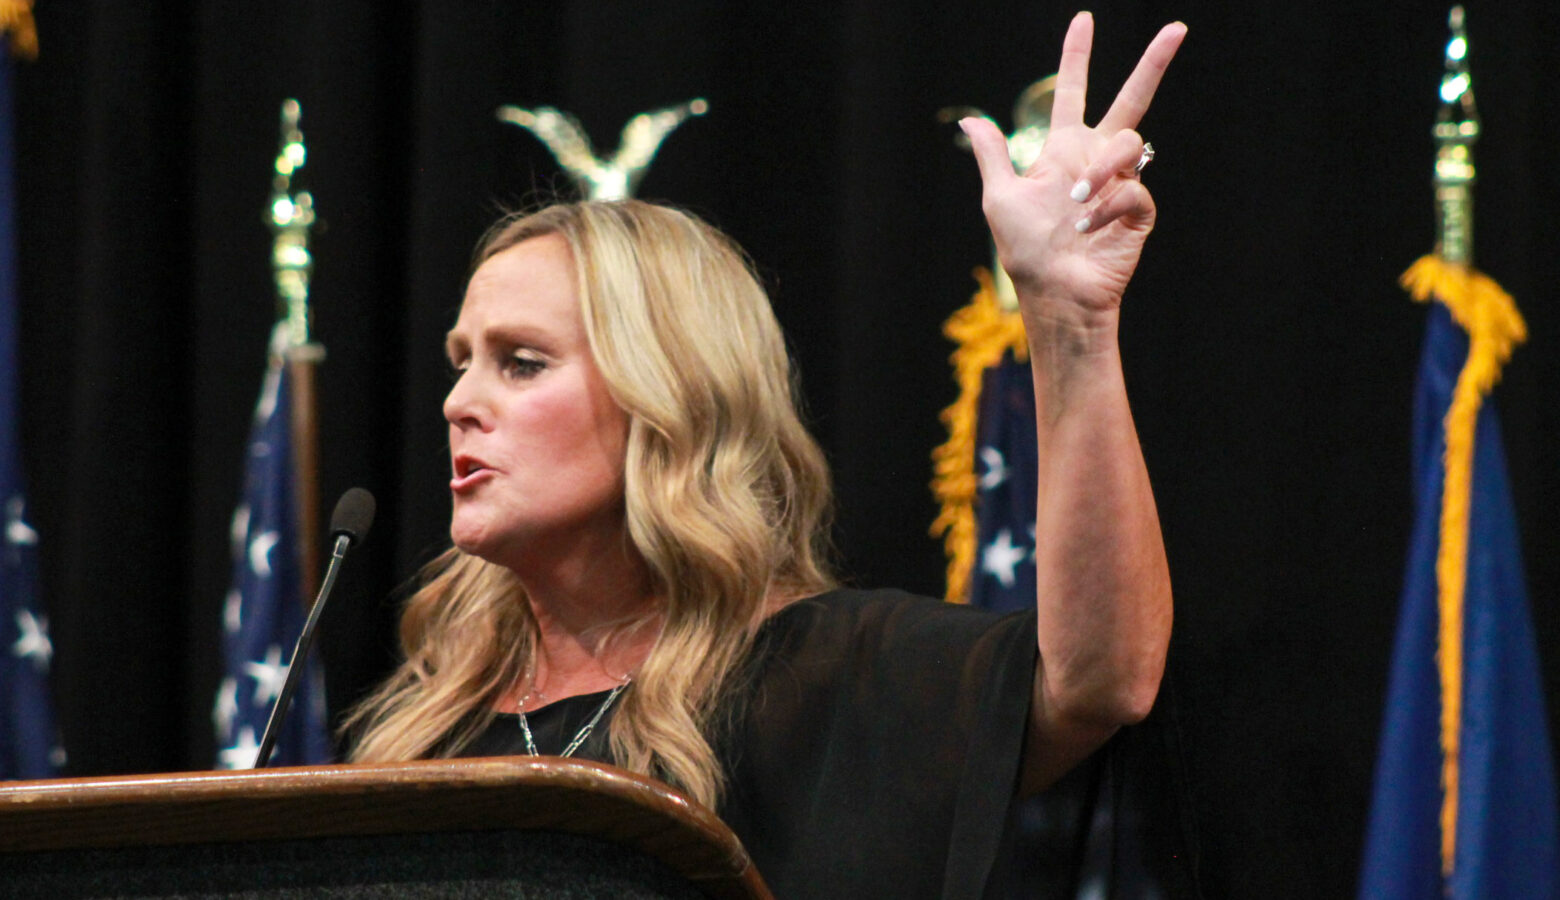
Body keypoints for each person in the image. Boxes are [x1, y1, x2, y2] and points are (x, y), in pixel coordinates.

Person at [346, 12, 1186, 897]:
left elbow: (1100, 684)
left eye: (521, 363)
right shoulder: (421, 737)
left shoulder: (835, 683)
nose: (458, 403)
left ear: (667, 396)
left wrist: (1069, 321)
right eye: (461, 362)